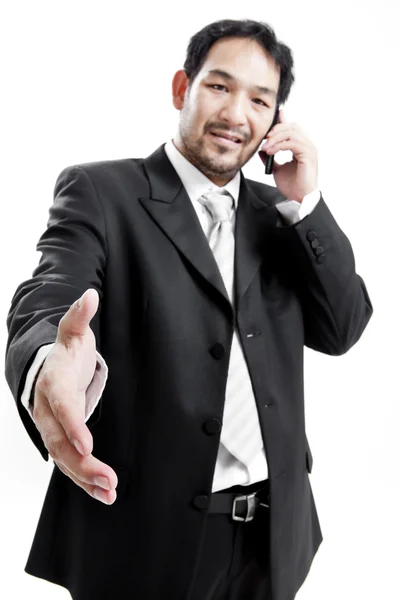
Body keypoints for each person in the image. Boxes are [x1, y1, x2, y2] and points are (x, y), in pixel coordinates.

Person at [5, 17, 373, 600]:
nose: (236, 114)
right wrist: (50, 357)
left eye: (260, 99)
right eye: (219, 87)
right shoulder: (101, 192)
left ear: (275, 119)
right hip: (144, 540)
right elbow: (50, 291)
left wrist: (306, 205)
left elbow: (342, 327)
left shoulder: (282, 215)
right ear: (182, 88)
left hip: (273, 538)